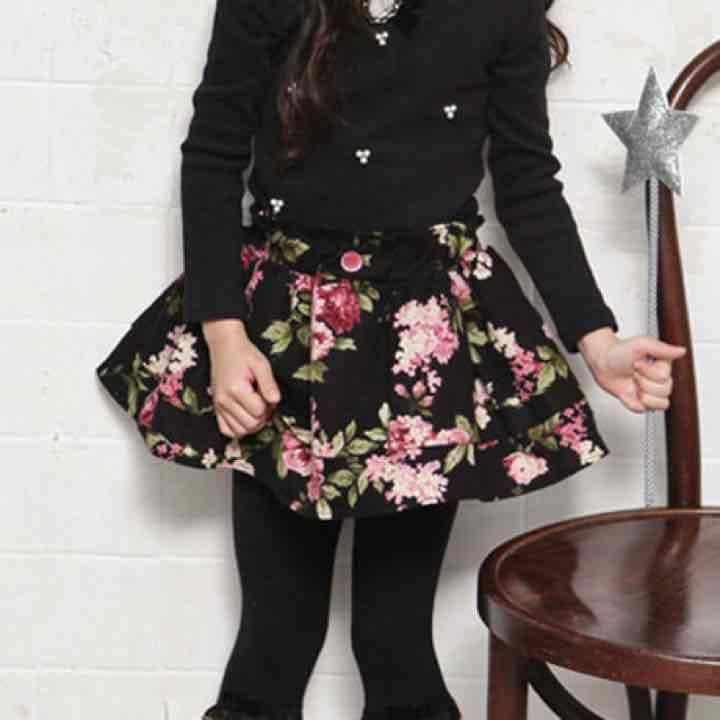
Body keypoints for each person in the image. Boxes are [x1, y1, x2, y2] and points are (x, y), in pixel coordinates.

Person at [175, 0, 687, 717]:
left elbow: (527, 183)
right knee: (274, 642)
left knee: (394, 645)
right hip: (287, 339)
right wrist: (225, 337)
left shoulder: (499, 13)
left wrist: (595, 338)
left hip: (422, 348)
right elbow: (212, 156)